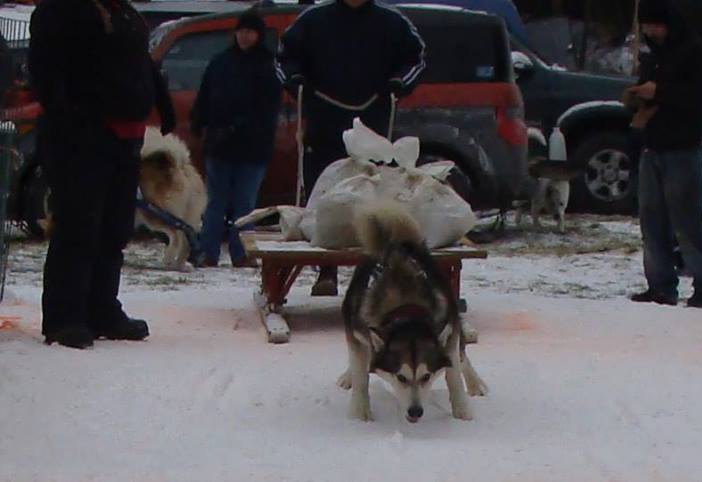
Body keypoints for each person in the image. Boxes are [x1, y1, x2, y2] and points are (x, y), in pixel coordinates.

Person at [29, 0, 176, 349]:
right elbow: (46, 73)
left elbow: (142, 63)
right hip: (80, 136)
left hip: (126, 135)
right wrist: (71, 116)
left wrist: (161, 102)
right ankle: (65, 317)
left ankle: (102, 309)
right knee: (78, 225)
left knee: (114, 227)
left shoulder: (125, 13)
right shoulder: (60, 11)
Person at [276, 0, 425, 295]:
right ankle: (326, 271)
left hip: (373, 122)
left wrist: (399, 82)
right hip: (324, 119)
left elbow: (416, 58)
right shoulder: (313, 19)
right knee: (325, 194)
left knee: (374, 194)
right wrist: (295, 79)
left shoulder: (392, 22)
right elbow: (283, 57)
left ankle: (374, 268)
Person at [626, 0, 702, 307]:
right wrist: (637, 97)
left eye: (654, 25)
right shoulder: (653, 55)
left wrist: (659, 92)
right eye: (646, 27)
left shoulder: (697, 54)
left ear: (668, 23)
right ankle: (660, 285)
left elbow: (698, 100)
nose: (650, 31)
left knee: (686, 220)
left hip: (683, 147)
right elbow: (647, 88)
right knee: (651, 220)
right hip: (653, 146)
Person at [192, 10, 281, 268]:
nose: (244, 36)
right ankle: (207, 252)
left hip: (252, 149)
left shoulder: (268, 66)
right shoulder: (220, 62)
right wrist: (199, 123)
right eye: (241, 31)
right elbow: (205, 96)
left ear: (259, 35)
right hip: (219, 147)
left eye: (250, 31)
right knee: (214, 203)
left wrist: (237, 127)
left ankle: (241, 253)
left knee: (244, 204)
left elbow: (266, 110)